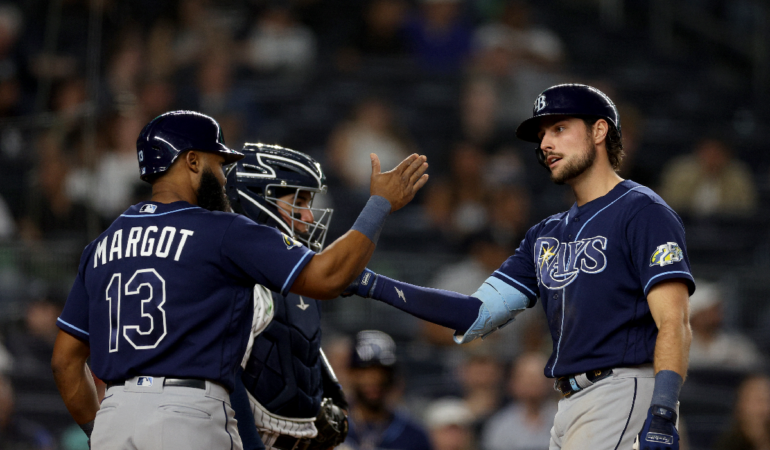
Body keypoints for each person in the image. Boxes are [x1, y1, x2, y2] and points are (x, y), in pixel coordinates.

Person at [50, 110, 429, 450]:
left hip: (116, 415)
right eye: (218, 164)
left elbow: (65, 363)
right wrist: (379, 205)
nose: (223, 175)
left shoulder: (102, 245)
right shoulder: (221, 230)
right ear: (192, 161)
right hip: (187, 415)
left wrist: (99, 429)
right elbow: (327, 277)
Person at [346, 84, 694, 450]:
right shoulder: (545, 234)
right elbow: (474, 313)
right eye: (542, 134)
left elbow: (674, 321)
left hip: (620, 390)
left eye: (559, 128)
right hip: (569, 404)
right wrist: (370, 283)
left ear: (599, 131)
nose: (545, 143)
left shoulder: (642, 211)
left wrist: (664, 411)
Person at [225, 143, 349, 450]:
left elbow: (298, 340)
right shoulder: (235, 275)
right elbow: (224, 375)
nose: (308, 216)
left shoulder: (299, 272)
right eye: (299, 201)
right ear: (257, 200)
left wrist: (331, 392)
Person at [344, 330, 433, 450]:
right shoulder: (328, 427)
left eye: (382, 372)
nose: (374, 380)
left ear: (393, 377)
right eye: (365, 371)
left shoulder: (413, 435)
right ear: (351, 374)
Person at [481, 352, 557, 450]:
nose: (532, 382)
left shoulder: (567, 419)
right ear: (513, 383)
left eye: (537, 376)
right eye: (525, 377)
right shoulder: (499, 425)